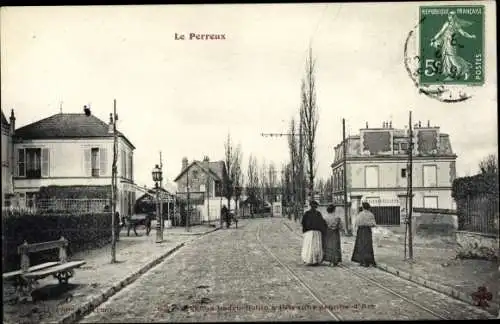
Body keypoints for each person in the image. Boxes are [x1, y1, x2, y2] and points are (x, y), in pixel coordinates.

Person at [430, 11, 476, 81]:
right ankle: (453, 73)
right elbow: (441, 32)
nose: (449, 17)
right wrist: (434, 39)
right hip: (446, 42)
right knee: (448, 58)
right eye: (449, 16)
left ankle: (463, 69)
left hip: (451, 43)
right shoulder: (447, 24)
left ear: (454, 17)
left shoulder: (456, 25)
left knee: (452, 57)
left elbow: (463, 33)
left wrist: (470, 36)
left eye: (451, 16)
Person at [301, 200, 327, 266]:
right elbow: (322, 223)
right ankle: (316, 259)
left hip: (309, 232)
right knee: (316, 246)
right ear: (316, 207)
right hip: (317, 232)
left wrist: (304, 230)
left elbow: (303, 223)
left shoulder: (307, 213)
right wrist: (323, 230)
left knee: (309, 246)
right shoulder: (318, 214)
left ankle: (308, 259)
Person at [351, 202, 377, 267]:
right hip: (367, 231)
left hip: (360, 231)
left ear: (363, 207)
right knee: (368, 246)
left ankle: (361, 260)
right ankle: (367, 261)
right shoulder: (371, 214)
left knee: (360, 245)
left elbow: (356, 223)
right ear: (369, 207)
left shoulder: (360, 214)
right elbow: (374, 224)